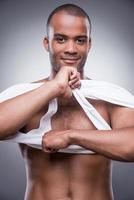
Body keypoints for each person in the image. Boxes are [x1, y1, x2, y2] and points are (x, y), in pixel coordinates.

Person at [1, 3, 133, 200]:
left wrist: (71, 136)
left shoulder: (110, 97)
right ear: (47, 43)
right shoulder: (25, 95)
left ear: (89, 44)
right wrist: (54, 87)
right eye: (61, 39)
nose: (71, 48)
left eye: (80, 40)